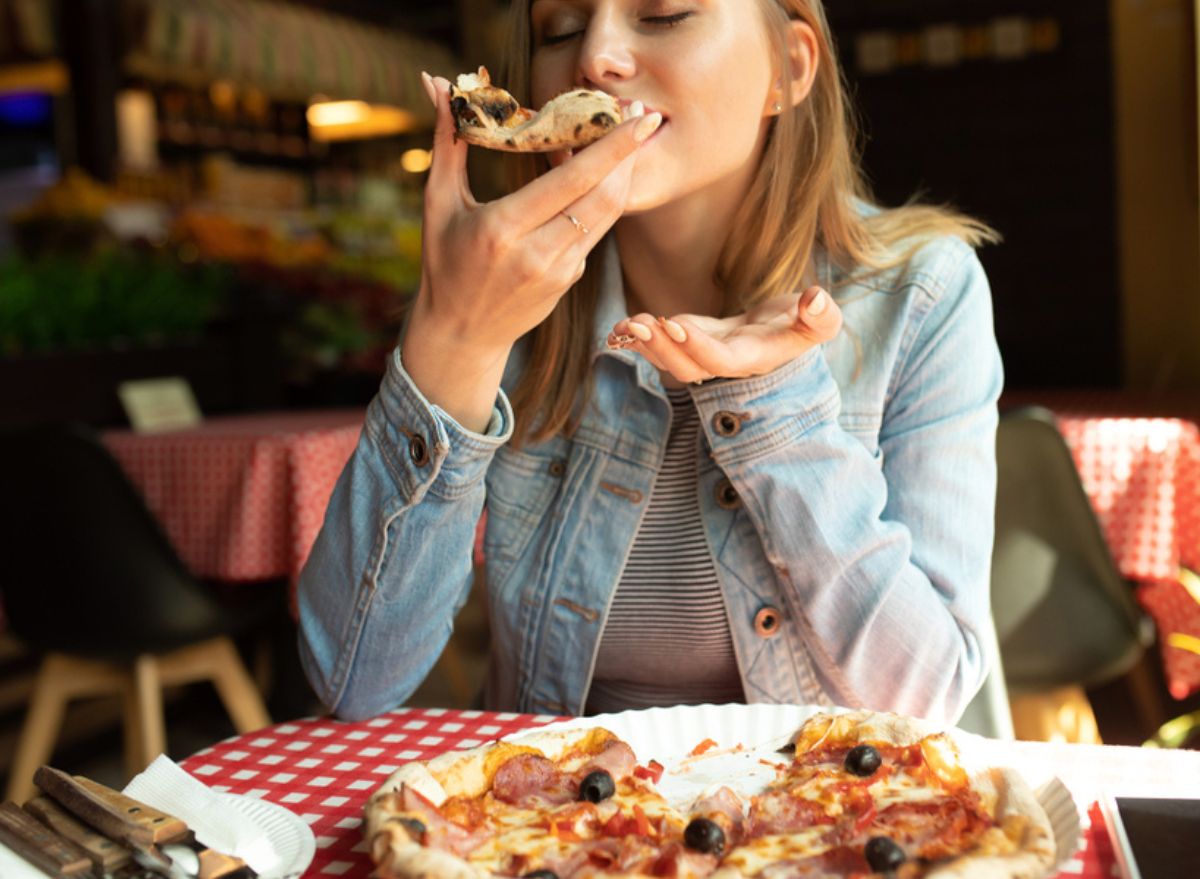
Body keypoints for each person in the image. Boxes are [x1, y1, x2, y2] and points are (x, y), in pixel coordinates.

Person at [297, 0, 1004, 724]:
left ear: (788, 69)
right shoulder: (499, 295)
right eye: (561, 30)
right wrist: (455, 340)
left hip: (810, 821)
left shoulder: (920, 292)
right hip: (547, 823)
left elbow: (925, 694)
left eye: (663, 14)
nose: (595, 57)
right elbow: (351, 683)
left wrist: (772, 404)